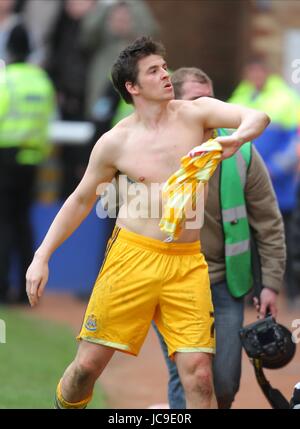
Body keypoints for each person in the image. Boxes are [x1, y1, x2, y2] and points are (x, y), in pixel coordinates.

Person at [25, 36, 269, 409]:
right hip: (132, 258)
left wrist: (232, 140)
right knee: (86, 369)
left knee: (200, 376)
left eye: (164, 66)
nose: (166, 75)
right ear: (132, 87)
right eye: (153, 71)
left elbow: (256, 116)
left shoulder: (196, 113)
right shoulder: (115, 142)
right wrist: (41, 257)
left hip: (187, 263)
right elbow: (80, 200)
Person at [153, 67, 286, 409]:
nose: (209, 109)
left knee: (224, 384)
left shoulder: (242, 152)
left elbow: (268, 222)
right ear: (176, 106)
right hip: (171, 284)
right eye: (198, 101)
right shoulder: (153, 151)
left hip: (224, 283)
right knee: (190, 377)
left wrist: (269, 283)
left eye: (213, 100)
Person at [228, 59, 300, 304]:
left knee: (284, 240)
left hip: (281, 186)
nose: (255, 76)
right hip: (245, 184)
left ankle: (293, 293)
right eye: (251, 71)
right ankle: (252, 294)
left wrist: (276, 167)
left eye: (259, 71)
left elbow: (296, 141)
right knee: (247, 241)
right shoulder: (238, 98)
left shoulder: (287, 99)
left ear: (267, 73)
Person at [0, 25, 55, 303]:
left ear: (9, 49)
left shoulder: (5, 79)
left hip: (5, 157)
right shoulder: (42, 81)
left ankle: (2, 289)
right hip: (32, 158)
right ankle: (25, 290)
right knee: (23, 222)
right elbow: (48, 122)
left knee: (4, 222)